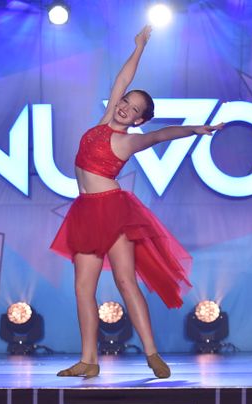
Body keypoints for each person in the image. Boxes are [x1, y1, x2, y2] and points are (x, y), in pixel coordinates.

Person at [50, 25, 223, 379]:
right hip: (84, 211)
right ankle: (89, 360)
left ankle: (152, 353)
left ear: (139, 119)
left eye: (133, 109)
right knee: (83, 288)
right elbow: (122, 79)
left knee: (126, 282)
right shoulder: (103, 122)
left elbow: (161, 135)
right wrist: (140, 46)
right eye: (125, 103)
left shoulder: (128, 141)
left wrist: (194, 129)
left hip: (112, 211)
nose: (125, 108)